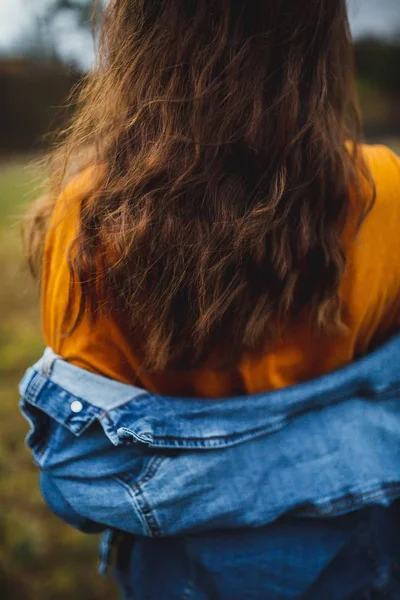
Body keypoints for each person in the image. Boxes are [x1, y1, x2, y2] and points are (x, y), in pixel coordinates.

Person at [21, 1, 400, 598]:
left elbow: (81, 463)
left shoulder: (92, 217)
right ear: (318, 44)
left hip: (182, 566)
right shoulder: (386, 191)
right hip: (353, 542)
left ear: (141, 42)